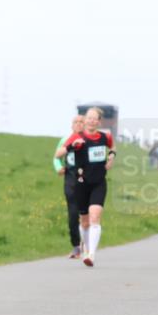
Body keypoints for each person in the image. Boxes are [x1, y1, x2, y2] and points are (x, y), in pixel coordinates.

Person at [57, 107, 116, 267]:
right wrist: (72, 146)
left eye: (94, 118)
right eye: (88, 118)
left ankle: (91, 255)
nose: (91, 121)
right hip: (81, 183)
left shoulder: (105, 137)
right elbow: (58, 154)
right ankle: (86, 248)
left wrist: (111, 158)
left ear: (99, 121)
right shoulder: (77, 136)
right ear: (85, 120)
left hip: (98, 183)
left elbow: (112, 148)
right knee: (84, 222)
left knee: (95, 216)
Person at [54, 115, 86, 258]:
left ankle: (87, 245)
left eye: (81, 122)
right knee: (73, 215)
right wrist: (58, 168)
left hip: (87, 180)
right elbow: (56, 157)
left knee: (86, 215)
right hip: (71, 180)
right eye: (76, 122)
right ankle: (76, 246)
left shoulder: (89, 140)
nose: (78, 124)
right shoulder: (65, 139)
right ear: (71, 125)